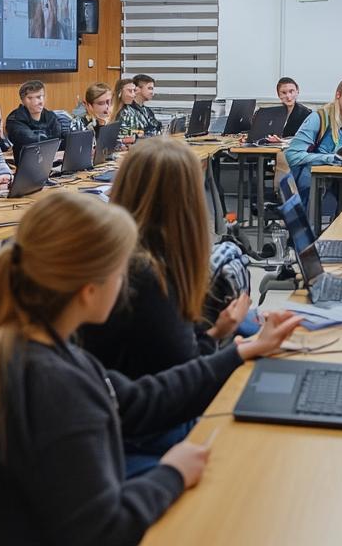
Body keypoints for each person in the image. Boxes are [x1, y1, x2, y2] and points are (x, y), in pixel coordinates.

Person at [0, 191, 302, 546]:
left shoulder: (27, 340)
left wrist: (239, 353)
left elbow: (137, 401)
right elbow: (103, 532)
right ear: (88, 290)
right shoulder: (50, 382)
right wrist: (171, 474)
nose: (126, 282)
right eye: (121, 271)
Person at [80, 137, 252, 474]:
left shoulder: (130, 255)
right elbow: (184, 379)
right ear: (188, 202)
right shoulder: (146, 274)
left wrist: (216, 333)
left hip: (127, 418)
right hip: (143, 433)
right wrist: (221, 339)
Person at [284, 78, 342, 198]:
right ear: (338, 95)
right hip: (308, 185)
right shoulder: (318, 118)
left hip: (329, 181)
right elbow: (291, 155)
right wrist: (329, 158)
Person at [6, 80, 69, 155]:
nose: (38, 102)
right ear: (23, 100)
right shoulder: (14, 119)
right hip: (29, 161)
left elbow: (61, 140)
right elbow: (31, 142)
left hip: (54, 159)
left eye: (40, 97)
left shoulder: (51, 116)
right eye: (30, 98)